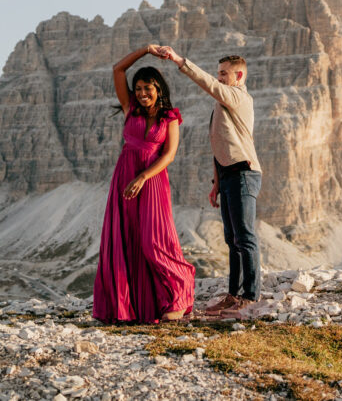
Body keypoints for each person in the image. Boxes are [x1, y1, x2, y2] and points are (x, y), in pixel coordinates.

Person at [92, 44, 195, 324]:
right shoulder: (130, 109)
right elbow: (118, 69)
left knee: (154, 242)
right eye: (137, 89)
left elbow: (169, 155)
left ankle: (178, 294)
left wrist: (143, 177)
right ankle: (128, 308)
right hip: (125, 179)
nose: (141, 93)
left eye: (147, 88)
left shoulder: (170, 117)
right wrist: (147, 50)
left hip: (152, 181)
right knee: (125, 239)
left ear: (158, 88)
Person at [157, 47, 262, 319]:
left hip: (244, 173)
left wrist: (179, 61)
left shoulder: (238, 96)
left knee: (245, 237)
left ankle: (250, 297)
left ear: (239, 76)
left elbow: (208, 85)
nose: (219, 78)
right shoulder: (222, 104)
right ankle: (234, 295)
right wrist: (216, 183)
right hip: (228, 176)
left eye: (224, 74)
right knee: (232, 239)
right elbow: (219, 144)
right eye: (219, 73)